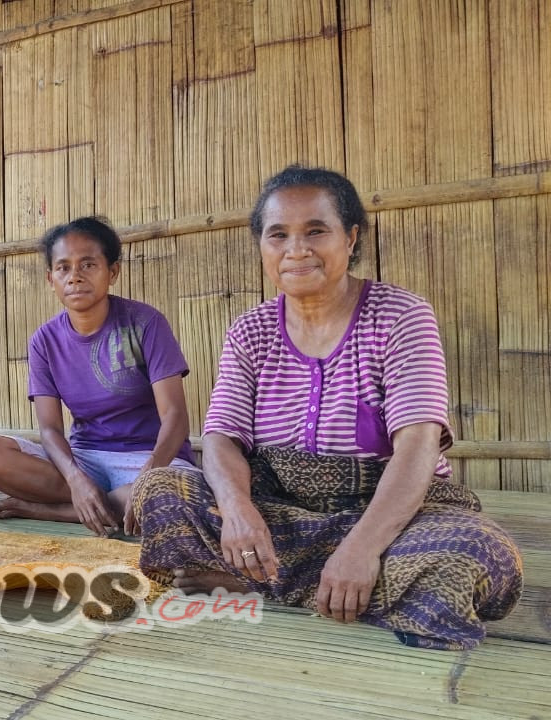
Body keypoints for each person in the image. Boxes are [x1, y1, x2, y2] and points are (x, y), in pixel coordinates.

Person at [133, 165, 523, 649]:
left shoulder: (401, 316)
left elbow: (417, 448)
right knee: (161, 491)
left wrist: (361, 548)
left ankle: (267, 578)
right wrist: (237, 510)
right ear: (262, 246)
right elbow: (220, 437)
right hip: (279, 508)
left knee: (477, 553)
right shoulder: (249, 330)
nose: (296, 249)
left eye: (316, 231)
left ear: (351, 237)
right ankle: (321, 583)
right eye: (278, 235)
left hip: (387, 511)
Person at [0, 217, 198, 537]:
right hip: (85, 459)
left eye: (88, 264)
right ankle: (98, 503)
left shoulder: (145, 323)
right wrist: (76, 479)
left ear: (112, 272)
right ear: (51, 279)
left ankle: (59, 512)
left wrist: (150, 475)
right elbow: (49, 428)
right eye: (63, 268)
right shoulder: (44, 340)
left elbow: (175, 416)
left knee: (172, 495)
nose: (75, 276)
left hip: (151, 459)